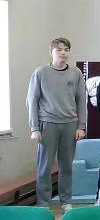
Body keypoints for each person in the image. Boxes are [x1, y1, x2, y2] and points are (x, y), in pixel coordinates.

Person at [27, 37, 87, 206]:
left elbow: (81, 101)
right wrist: (34, 128)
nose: (63, 53)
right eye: (59, 49)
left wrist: (81, 126)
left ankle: (66, 201)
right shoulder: (40, 72)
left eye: (66, 50)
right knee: (44, 167)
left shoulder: (76, 73)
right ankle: (43, 204)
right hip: (47, 124)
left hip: (70, 124)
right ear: (51, 52)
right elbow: (32, 100)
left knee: (66, 166)